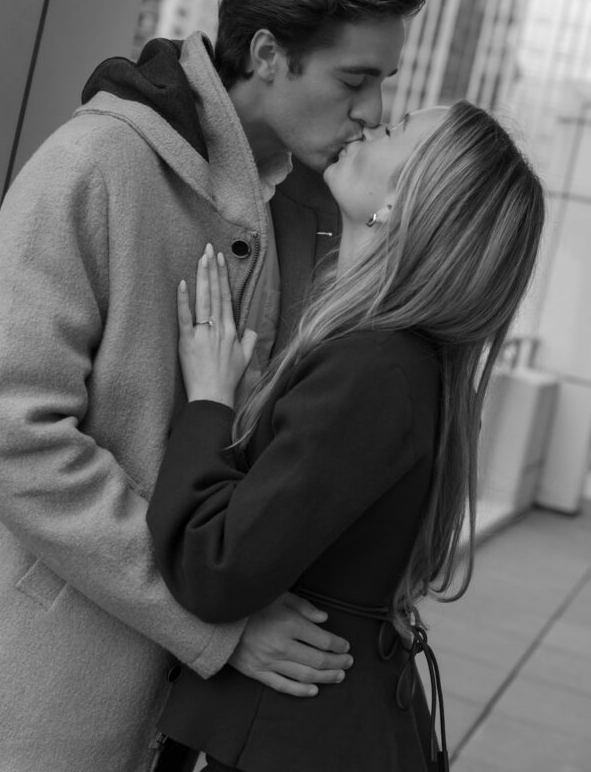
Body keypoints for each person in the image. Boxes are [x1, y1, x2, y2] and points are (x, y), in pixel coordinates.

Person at [0, 0, 428, 772]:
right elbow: (10, 436)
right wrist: (208, 621)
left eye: (383, 84)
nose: (371, 111)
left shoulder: (302, 208)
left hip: (174, 721)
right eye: (354, 80)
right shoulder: (95, 165)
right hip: (31, 717)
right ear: (266, 53)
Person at [146, 100, 545, 772]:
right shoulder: (403, 362)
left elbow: (213, 567)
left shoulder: (372, 369)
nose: (374, 122)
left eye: (399, 131)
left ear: (403, 202)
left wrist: (210, 401)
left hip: (295, 735)